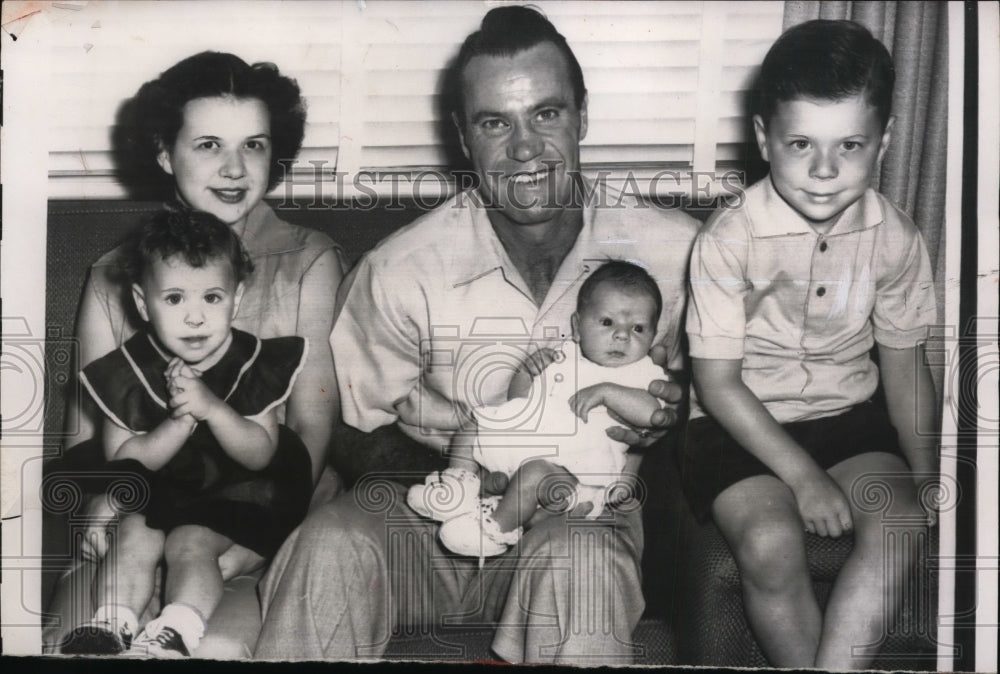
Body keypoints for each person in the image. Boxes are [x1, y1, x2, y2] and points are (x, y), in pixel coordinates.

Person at [254, 7, 698, 663]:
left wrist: (665, 426)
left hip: (577, 523)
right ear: (465, 137)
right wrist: (467, 470)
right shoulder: (403, 265)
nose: (524, 148)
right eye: (496, 122)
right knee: (328, 546)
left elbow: (728, 412)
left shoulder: (677, 252)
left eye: (546, 114)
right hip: (435, 522)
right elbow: (349, 426)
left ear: (582, 115)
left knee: (579, 563)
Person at [44, 51, 345, 656]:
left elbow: (312, 429)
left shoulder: (311, 258)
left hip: (266, 513)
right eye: (208, 144)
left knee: (215, 649)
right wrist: (101, 516)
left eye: (254, 145)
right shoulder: (112, 274)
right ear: (164, 153)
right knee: (67, 643)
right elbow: (84, 439)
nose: (235, 168)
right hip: (140, 516)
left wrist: (258, 535)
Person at [682, 20, 938, 669]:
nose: (824, 172)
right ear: (765, 139)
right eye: (801, 143)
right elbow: (717, 383)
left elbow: (906, 366)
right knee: (769, 540)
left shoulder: (899, 239)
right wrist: (802, 478)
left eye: (849, 144)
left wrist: (928, 471)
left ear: (884, 142)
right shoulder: (725, 240)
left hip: (848, 416)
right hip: (735, 422)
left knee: (900, 519)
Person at [61, 208, 313, 657]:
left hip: (237, 490)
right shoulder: (128, 371)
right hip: (158, 485)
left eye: (211, 299)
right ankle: (111, 623)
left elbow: (260, 453)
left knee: (190, 541)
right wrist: (179, 423)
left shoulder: (252, 363)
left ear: (236, 299)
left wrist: (212, 409)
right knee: (135, 534)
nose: (195, 318)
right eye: (175, 299)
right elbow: (124, 464)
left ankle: (177, 627)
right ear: (143, 304)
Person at [408, 261, 665, 558]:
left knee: (534, 475)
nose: (622, 335)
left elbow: (650, 413)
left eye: (638, 328)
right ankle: (457, 488)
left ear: (653, 336)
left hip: (577, 473)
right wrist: (526, 374)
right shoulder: (562, 356)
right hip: (526, 445)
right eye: (607, 322)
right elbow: (521, 403)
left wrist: (608, 392)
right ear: (577, 327)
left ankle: (495, 530)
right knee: (474, 427)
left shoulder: (642, 373)